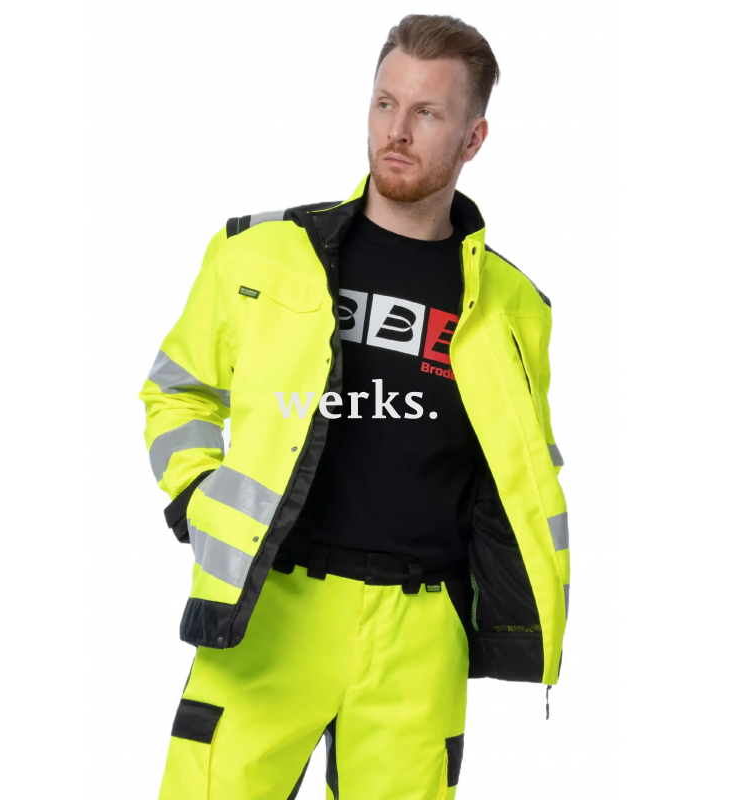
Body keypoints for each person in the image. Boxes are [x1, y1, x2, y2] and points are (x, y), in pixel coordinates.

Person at [139, 13, 571, 799]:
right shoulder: (261, 254)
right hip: (271, 606)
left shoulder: (516, 308)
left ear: (473, 138)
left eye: (427, 113)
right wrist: (199, 497)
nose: (396, 131)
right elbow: (177, 390)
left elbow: (524, 472)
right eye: (384, 103)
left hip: (420, 633)